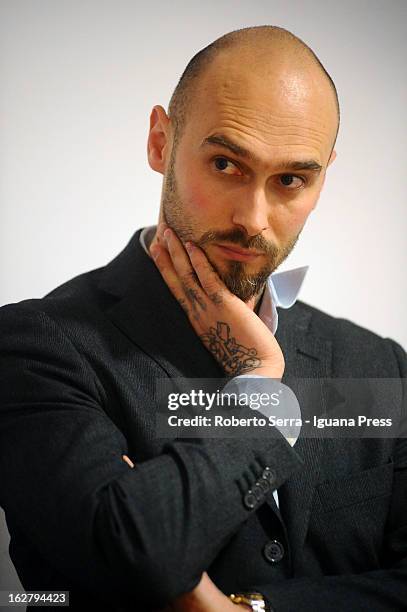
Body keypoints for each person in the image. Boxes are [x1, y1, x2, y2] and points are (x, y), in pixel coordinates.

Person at [0, 24, 406, 612]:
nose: (254, 218)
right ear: (161, 141)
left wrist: (244, 610)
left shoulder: (379, 364)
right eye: (225, 164)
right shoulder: (36, 349)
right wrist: (263, 389)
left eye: (291, 179)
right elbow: (133, 555)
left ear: (324, 176)